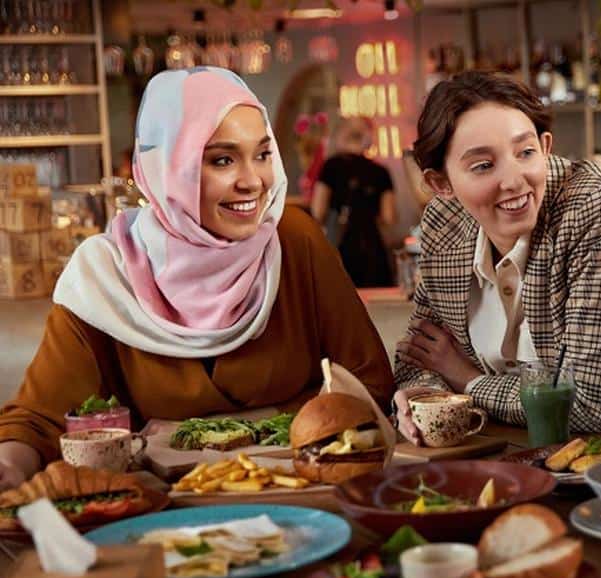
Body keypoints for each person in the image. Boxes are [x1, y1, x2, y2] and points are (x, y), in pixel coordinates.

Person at [0, 67, 394, 491]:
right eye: (222, 159)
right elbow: (37, 421)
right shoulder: (102, 276)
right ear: (165, 166)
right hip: (156, 515)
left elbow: (369, 379)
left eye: (262, 154)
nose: (252, 182)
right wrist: (8, 465)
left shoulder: (294, 242)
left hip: (302, 492)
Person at [393, 71, 601, 441]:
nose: (513, 181)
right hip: (488, 455)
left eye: (525, 152)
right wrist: (422, 396)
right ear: (441, 184)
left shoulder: (599, 212)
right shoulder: (443, 223)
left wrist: (468, 381)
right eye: (483, 165)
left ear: (545, 147)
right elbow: (418, 358)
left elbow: (596, 408)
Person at [311, 117, 398, 288]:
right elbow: (389, 218)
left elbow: (318, 211)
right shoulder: (381, 172)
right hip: (373, 249)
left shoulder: (331, 166)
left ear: (342, 135)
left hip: (341, 245)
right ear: (367, 138)